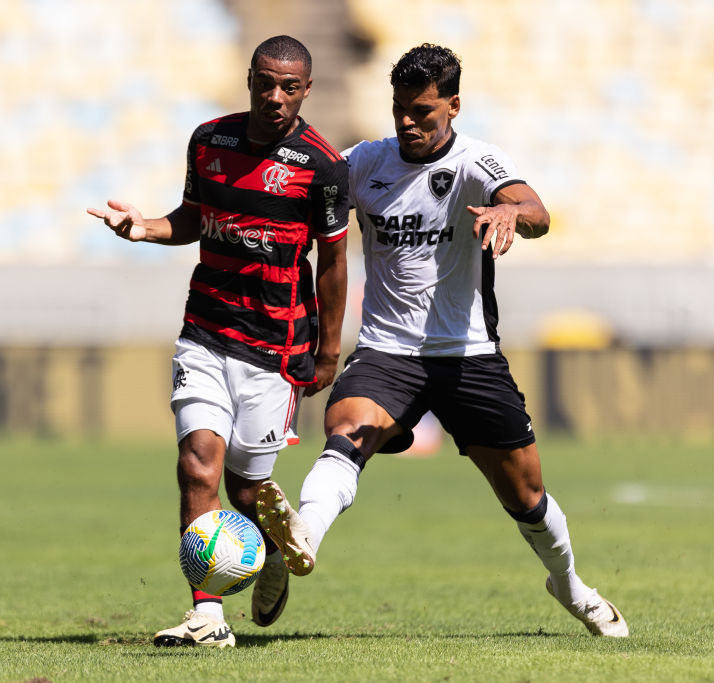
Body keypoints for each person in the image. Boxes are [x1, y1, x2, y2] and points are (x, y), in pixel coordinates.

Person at [255, 43, 628, 637]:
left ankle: (573, 587)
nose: (408, 123)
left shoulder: (479, 163)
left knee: (527, 497)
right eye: (400, 109)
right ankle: (298, 540)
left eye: (423, 112)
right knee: (346, 431)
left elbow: (535, 209)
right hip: (387, 351)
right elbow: (308, 196)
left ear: (453, 106)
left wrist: (511, 216)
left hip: (468, 355)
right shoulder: (365, 162)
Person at [87, 35, 349, 648]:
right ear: (249, 79)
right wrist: (145, 227)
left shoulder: (322, 166)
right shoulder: (210, 140)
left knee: (244, 486)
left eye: (290, 87)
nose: (276, 96)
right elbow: (190, 217)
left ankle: (277, 549)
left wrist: (330, 350)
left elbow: (334, 263)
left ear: (306, 91)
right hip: (205, 331)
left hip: (276, 346)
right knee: (196, 463)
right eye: (266, 82)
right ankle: (206, 615)